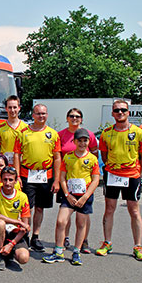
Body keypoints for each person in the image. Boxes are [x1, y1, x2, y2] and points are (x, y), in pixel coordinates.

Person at [96, 100, 142, 261]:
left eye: (123, 110)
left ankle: (138, 246)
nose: (120, 113)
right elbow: (104, 157)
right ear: (112, 113)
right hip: (112, 175)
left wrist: (138, 174)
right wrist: (112, 168)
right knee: (109, 209)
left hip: (132, 176)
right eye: (116, 110)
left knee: (134, 210)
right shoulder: (106, 133)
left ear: (128, 112)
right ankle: (107, 243)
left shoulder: (139, 132)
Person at [42, 128, 100, 266]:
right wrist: (67, 195)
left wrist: (85, 197)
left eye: (85, 140)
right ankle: (58, 251)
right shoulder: (68, 157)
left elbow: (96, 180)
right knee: (61, 221)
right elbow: (62, 178)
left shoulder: (92, 159)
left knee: (80, 224)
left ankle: (77, 252)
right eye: (79, 141)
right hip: (69, 196)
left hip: (84, 197)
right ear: (74, 141)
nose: (82, 143)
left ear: (88, 142)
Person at [13, 103, 61, 252]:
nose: (41, 116)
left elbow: (57, 158)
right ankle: (24, 234)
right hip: (27, 175)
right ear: (32, 115)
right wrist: (17, 176)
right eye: (38, 113)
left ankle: (35, 236)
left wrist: (57, 180)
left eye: (44, 114)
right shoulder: (23, 132)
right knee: (27, 208)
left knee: (40, 208)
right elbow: (17, 155)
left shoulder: (53, 134)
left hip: (46, 176)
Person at [57, 108, 98, 252]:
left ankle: (82, 242)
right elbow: (56, 156)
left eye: (77, 116)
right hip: (67, 181)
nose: (74, 118)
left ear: (81, 119)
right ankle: (64, 239)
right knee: (64, 215)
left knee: (82, 218)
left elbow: (94, 153)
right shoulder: (61, 134)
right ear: (67, 118)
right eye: (71, 116)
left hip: (84, 187)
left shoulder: (89, 135)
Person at [0, 166, 31, 271]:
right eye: (5, 179)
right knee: (0, 223)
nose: (7, 183)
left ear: (16, 181)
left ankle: (9, 249)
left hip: (14, 232)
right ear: (1, 179)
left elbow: (24, 227)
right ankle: (0, 254)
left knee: (23, 258)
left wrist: (11, 244)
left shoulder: (23, 197)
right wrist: (17, 221)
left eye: (11, 180)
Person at [0, 95, 28, 166]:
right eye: (10, 107)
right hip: (5, 166)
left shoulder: (26, 128)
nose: (12, 110)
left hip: (21, 166)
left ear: (19, 108)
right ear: (6, 109)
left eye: (15, 107)